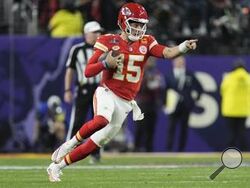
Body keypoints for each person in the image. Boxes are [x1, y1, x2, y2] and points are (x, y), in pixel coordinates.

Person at [47, 2, 198, 182]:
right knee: (102, 119)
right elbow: (88, 71)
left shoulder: (147, 41)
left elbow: (167, 52)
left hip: (125, 102)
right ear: (123, 22)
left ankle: (56, 167)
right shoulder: (107, 40)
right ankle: (69, 144)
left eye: (141, 24)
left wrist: (183, 47)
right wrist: (105, 64)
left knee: (96, 143)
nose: (138, 28)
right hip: (107, 91)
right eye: (134, 23)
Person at [64, 21, 103, 163]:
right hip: (83, 89)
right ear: (86, 34)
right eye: (95, 32)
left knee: (99, 124)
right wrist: (67, 89)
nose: (98, 35)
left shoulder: (103, 48)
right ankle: (68, 150)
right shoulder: (77, 49)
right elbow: (70, 71)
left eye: (99, 32)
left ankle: (95, 153)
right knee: (77, 121)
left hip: (99, 90)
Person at [164, 56, 203, 152]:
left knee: (184, 129)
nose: (180, 63)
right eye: (178, 61)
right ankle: (169, 150)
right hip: (173, 106)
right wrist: (164, 104)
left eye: (181, 61)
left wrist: (194, 100)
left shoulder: (189, 74)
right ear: (173, 63)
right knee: (171, 128)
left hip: (186, 106)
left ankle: (181, 150)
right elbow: (164, 91)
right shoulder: (168, 75)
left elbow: (199, 88)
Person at [134, 57, 165, 152]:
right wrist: (147, 83)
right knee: (140, 127)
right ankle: (137, 147)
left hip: (153, 104)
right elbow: (137, 87)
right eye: (149, 60)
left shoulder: (157, 73)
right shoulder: (141, 72)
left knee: (150, 129)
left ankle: (149, 149)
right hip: (142, 104)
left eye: (153, 60)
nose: (151, 62)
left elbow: (162, 88)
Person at [220, 59, 250, 151]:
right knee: (241, 133)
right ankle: (246, 154)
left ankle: (229, 154)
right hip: (243, 110)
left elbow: (222, 91)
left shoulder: (229, 77)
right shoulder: (248, 77)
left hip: (229, 110)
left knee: (231, 134)